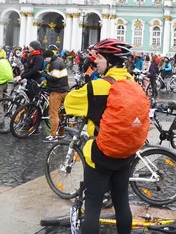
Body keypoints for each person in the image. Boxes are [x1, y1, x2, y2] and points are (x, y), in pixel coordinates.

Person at [64, 39, 149, 234]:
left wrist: (89, 80)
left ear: (110, 60)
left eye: (100, 57)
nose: (96, 62)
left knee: (93, 206)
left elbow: (69, 104)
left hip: (101, 155)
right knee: (122, 203)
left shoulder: (97, 86)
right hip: (126, 153)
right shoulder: (132, 83)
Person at [41, 50, 69, 142]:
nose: (45, 60)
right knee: (60, 114)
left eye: (45, 58)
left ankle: (53, 136)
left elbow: (54, 78)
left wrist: (44, 74)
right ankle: (61, 133)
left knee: (53, 114)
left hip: (57, 91)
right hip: (63, 90)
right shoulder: (59, 61)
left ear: (49, 56)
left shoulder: (55, 64)